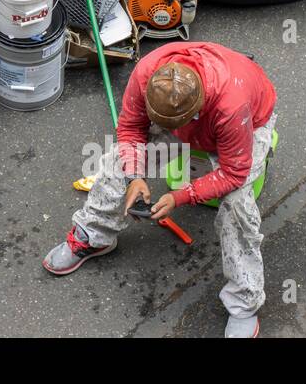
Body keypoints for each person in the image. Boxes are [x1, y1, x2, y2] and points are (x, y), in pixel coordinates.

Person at [43, 42, 277, 338]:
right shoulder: (146, 74)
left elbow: (233, 172)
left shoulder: (231, 105)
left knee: (238, 206)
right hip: (196, 118)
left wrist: (180, 196)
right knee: (118, 161)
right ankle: (94, 236)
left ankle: (244, 302)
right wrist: (135, 178)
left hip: (246, 125)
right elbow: (130, 129)